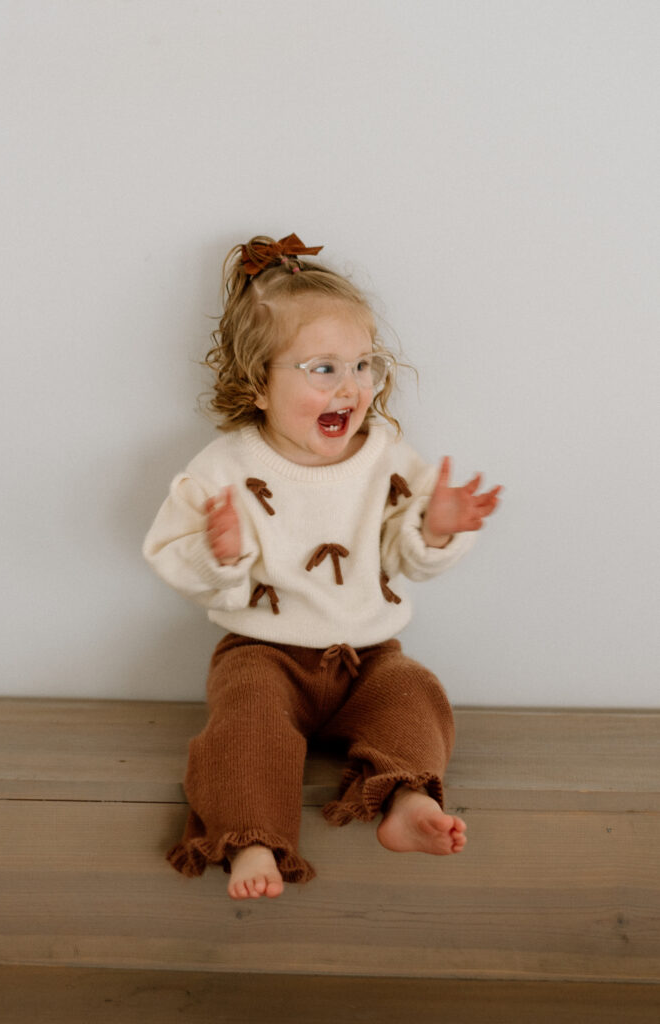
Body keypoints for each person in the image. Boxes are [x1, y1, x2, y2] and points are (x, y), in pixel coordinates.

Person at [143, 233, 501, 901]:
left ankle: (405, 797)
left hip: (368, 657)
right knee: (244, 728)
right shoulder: (225, 468)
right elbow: (169, 550)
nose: (350, 386)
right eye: (323, 368)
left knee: (414, 692)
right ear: (258, 382)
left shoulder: (386, 457)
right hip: (262, 655)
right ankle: (252, 837)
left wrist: (434, 527)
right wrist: (221, 553)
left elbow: (404, 556)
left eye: (363, 364)